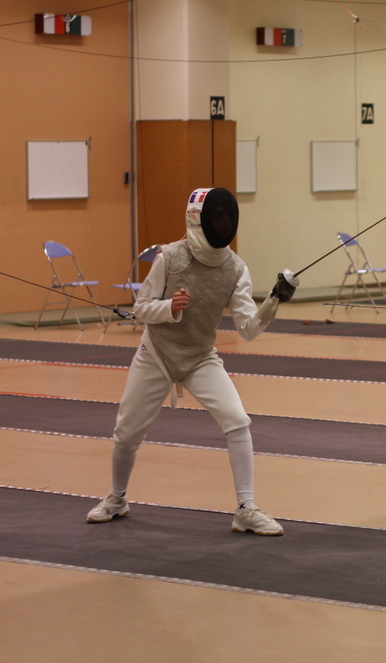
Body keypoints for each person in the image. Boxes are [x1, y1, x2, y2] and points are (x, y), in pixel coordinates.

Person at [87, 187, 298, 536]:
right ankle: (117, 498)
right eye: (218, 217)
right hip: (156, 353)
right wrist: (169, 306)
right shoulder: (170, 257)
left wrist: (274, 301)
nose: (224, 223)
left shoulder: (235, 268)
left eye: (228, 217)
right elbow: (141, 308)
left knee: (237, 421)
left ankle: (246, 509)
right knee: (126, 433)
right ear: (199, 219)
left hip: (200, 357)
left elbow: (247, 329)